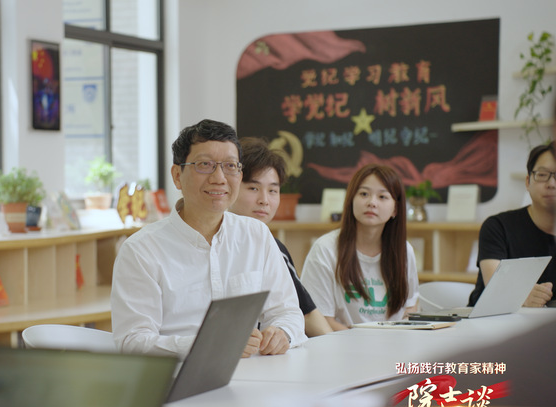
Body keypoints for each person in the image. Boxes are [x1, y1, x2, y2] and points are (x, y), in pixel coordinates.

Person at [111, 119, 307, 360]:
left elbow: (288, 313)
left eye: (230, 166)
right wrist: (208, 344)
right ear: (177, 176)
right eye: (205, 165)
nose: (219, 178)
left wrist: (282, 333)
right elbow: (132, 342)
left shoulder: (256, 235)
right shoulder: (141, 250)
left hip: (253, 372)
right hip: (176, 376)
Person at [228, 137, 333, 337]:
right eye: (253, 188)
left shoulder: (274, 248)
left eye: (273, 191)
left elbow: (306, 312)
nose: (264, 200)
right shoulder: (211, 242)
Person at [300, 164, 418, 330]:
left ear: (395, 209)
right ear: (351, 200)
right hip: (342, 344)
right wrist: (363, 342)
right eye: (364, 194)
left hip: (394, 342)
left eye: (382, 196)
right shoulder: (325, 249)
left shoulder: (404, 251)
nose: (372, 202)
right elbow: (318, 319)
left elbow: (410, 306)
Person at [468, 143, 556, 307]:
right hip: (493, 320)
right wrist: (521, 297)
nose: (551, 183)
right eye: (542, 175)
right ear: (528, 182)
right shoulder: (498, 227)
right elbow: (496, 288)